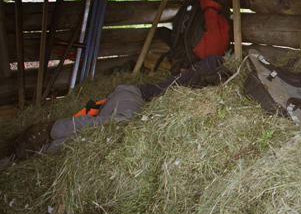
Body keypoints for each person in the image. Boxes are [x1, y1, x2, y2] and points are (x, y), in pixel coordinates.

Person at [12, 55, 230, 162]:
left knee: (108, 140)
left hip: (144, 113)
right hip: (135, 95)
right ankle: (51, 129)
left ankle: (37, 154)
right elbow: (212, 61)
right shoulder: (207, 71)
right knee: (122, 125)